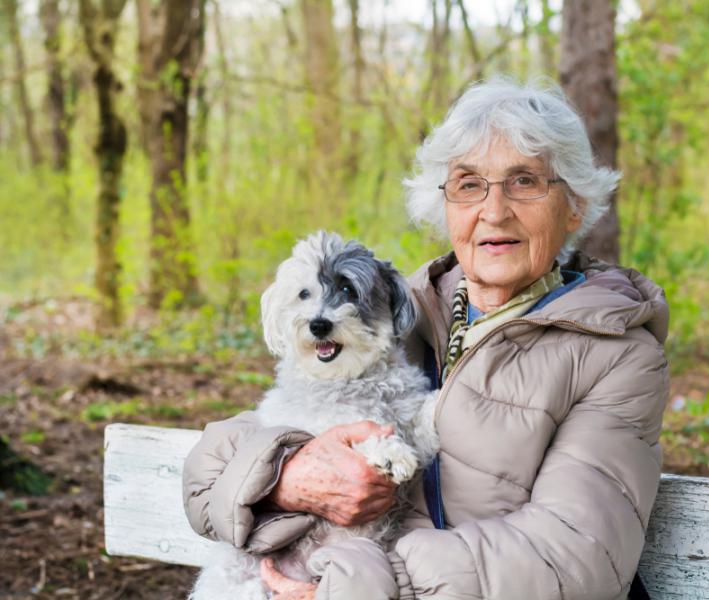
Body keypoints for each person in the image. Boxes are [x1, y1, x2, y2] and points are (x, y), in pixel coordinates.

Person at [182, 78, 669, 600]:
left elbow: (573, 554)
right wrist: (288, 476)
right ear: (444, 207)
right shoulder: (392, 312)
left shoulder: (616, 352)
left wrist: (348, 585)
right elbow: (207, 473)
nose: (494, 210)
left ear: (573, 205)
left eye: (524, 181)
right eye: (468, 184)